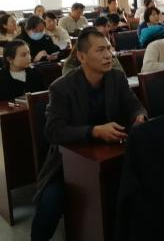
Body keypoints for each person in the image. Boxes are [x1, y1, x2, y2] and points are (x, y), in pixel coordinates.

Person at [31, 29, 147, 240]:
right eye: (100, 50)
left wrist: (139, 117)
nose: (108, 55)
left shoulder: (116, 77)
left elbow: (135, 106)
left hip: (110, 157)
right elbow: (53, 131)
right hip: (67, 164)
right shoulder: (61, 87)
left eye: (109, 49)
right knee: (50, 203)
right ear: (82, 57)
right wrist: (94, 131)